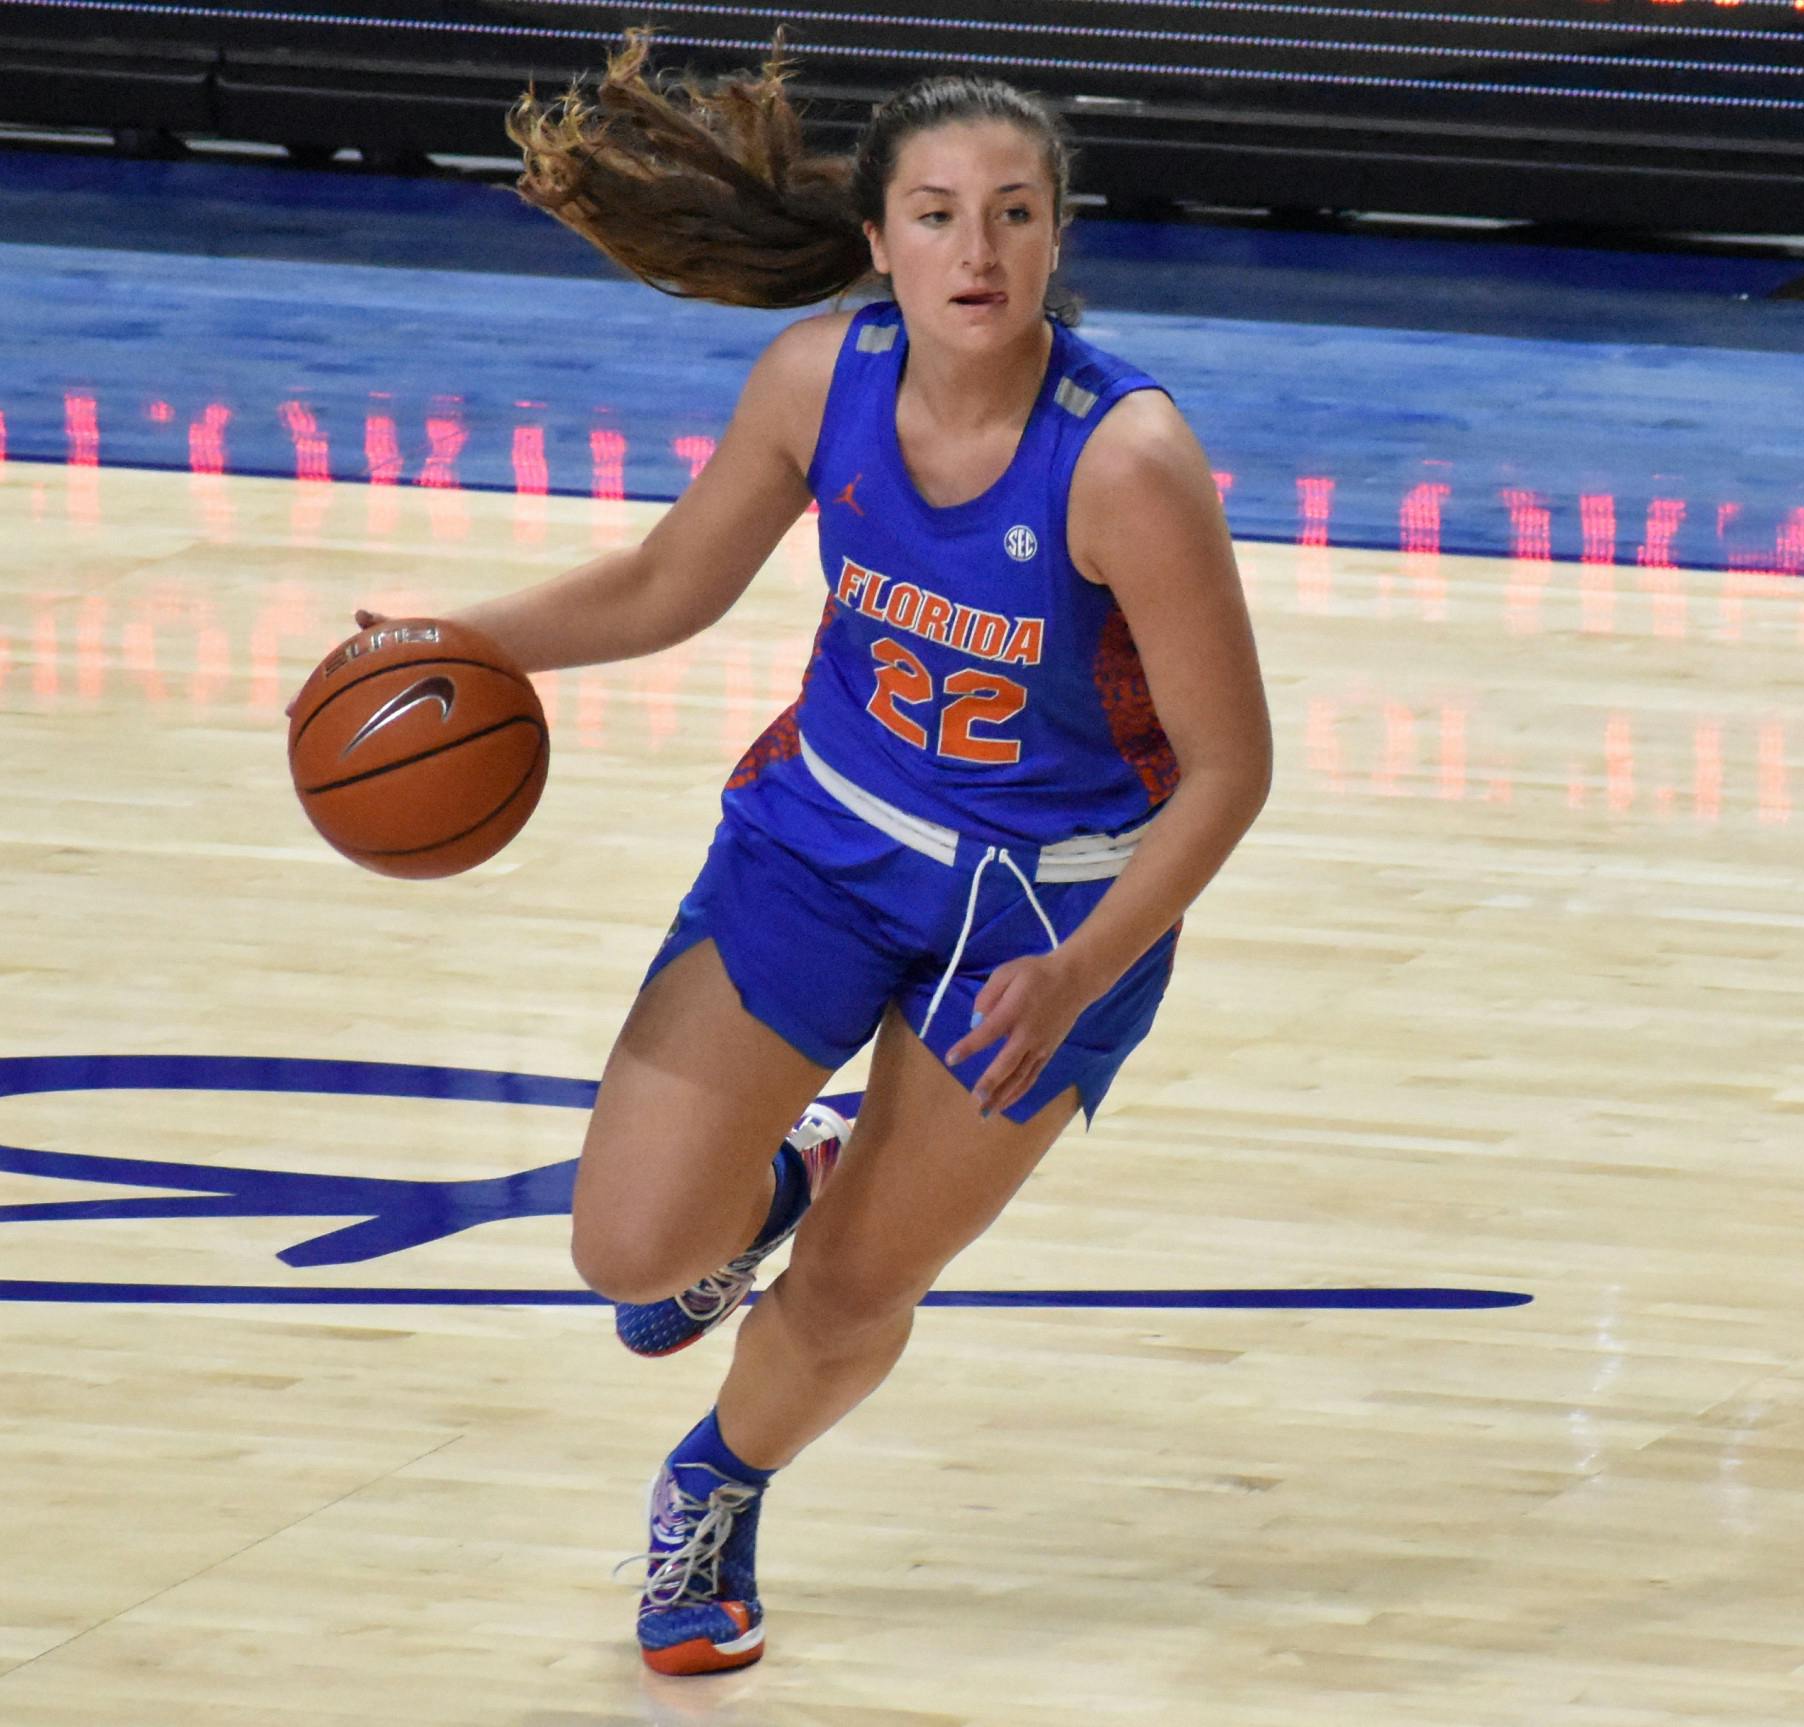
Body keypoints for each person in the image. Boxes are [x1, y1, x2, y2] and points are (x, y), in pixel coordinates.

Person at [408, 32, 1267, 1674]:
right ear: (879, 239)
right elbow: (669, 585)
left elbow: (1231, 773)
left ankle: (718, 1487)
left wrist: (1085, 968)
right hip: (827, 841)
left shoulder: (1128, 462)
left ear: (1057, 240)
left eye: (1016, 215)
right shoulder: (819, 380)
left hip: (1046, 919)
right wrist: (449, 643)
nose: (978, 249)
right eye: (939, 214)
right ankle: (778, 1173)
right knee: (630, 1253)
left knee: (864, 1285)